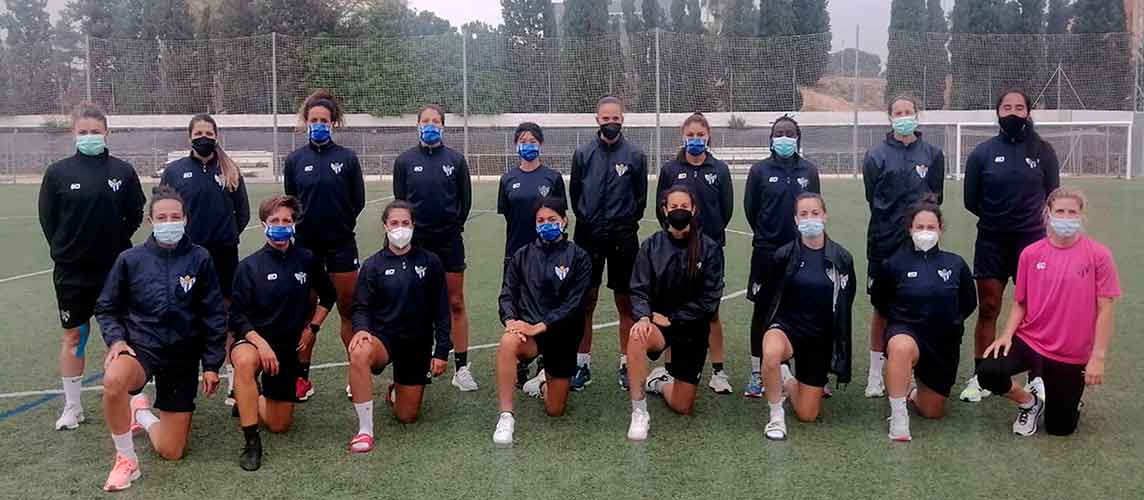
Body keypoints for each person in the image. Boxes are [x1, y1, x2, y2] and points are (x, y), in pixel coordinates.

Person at [94, 186, 227, 491]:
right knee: (114, 380)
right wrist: (116, 340)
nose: (169, 222)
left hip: (183, 356)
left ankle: (141, 412)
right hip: (142, 348)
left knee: (172, 451)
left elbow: (213, 313)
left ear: (185, 219)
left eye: (175, 216)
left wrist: (211, 363)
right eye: (162, 217)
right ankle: (126, 460)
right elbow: (106, 306)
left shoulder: (200, 258)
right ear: (150, 222)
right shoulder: (130, 259)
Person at [976, 188, 1120, 437]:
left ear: (1081, 215)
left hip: (1070, 353)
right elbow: (1021, 302)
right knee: (988, 371)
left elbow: (1105, 308)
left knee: (1060, 429)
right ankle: (1030, 402)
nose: (1065, 217)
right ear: (1048, 214)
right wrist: (1007, 335)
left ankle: (1068, 399)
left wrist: (1098, 356)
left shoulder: (1099, 255)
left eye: (1072, 212)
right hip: (1030, 341)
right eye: (1060, 211)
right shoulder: (1031, 254)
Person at [38, 103, 146, 431]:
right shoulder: (57, 173)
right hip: (72, 272)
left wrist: (113, 243)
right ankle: (73, 407)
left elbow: (136, 213)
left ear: (106, 133)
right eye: (83, 132)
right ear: (74, 134)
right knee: (75, 336)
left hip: (115, 269)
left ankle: (129, 404)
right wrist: (68, 248)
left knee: (123, 337)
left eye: (95, 132)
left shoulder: (123, 171)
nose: (89, 137)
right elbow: (49, 220)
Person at [960, 89, 1061, 402]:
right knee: (989, 308)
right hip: (992, 240)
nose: (1013, 112)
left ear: (1029, 112)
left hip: (1033, 243)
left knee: (1036, 313)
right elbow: (970, 200)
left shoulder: (1043, 151)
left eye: (1019, 107)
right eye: (1007, 107)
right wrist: (1000, 220)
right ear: (997, 112)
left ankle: (1038, 378)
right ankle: (981, 376)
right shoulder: (982, 153)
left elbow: (1052, 195)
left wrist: (1027, 224)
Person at [227, 195, 335, 471]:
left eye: (286, 220)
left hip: (287, 347)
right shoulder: (249, 266)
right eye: (274, 220)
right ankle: (251, 442)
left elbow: (328, 296)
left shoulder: (307, 259)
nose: (280, 225)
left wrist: (312, 328)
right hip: (252, 340)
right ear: (263, 224)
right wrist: (260, 344)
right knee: (245, 362)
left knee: (280, 424)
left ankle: (248, 397)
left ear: (294, 224)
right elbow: (237, 316)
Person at [346, 201, 451, 453]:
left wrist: (441, 351)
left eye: (406, 223)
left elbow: (441, 308)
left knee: (407, 416)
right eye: (394, 223)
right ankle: (365, 430)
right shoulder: (373, 266)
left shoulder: (431, 262)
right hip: (384, 339)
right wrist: (361, 329)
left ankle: (397, 389)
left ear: (413, 226)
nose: (400, 229)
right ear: (385, 226)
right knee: (359, 351)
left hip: (418, 343)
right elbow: (360, 307)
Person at [160, 113, 251, 405]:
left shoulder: (230, 169)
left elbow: (243, 212)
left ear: (216, 136)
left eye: (209, 133)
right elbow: (164, 208)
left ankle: (234, 383)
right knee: (186, 312)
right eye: (199, 132)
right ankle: (183, 382)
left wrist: (226, 235)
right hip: (186, 255)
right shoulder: (175, 171)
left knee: (226, 315)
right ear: (190, 137)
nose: (204, 137)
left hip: (224, 254)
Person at [283, 89, 366, 401]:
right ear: (306, 122)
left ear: (333, 123)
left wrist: (339, 224)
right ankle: (302, 379)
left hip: (341, 245)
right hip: (305, 248)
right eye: (313, 119)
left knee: (348, 311)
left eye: (324, 120)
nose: (318, 124)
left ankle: (354, 374)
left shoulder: (346, 158)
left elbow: (357, 200)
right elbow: (291, 201)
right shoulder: (295, 160)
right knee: (305, 313)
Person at [871, 199, 976, 441]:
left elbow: (968, 303)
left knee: (932, 411)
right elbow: (882, 303)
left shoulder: (955, 264)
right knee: (900, 347)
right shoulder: (894, 264)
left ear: (940, 229)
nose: (925, 232)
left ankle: (914, 391)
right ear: (910, 229)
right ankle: (899, 418)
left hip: (942, 344)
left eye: (931, 227)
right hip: (907, 332)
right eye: (920, 227)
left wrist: (949, 323)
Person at [624, 186, 724, 441]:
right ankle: (639, 411)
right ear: (664, 210)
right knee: (637, 336)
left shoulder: (709, 249)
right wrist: (645, 317)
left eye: (684, 207)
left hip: (692, 328)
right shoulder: (651, 246)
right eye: (673, 207)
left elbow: (710, 298)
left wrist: (675, 317)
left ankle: (658, 382)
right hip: (658, 325)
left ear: (693, 210)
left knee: (683, 406)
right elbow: (639, 288)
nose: (678, 211)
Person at [862, 95, 945, 398]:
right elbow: (872, 197)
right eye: (898, 112)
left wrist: (920, 230)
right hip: (884, 242)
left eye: (908, 111)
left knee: (917, 304)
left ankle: (910, 373)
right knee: (881, 309)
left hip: (920, 243)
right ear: (890, 117)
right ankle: (874, 374)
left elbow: (936, 198)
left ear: (917, 115)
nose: (904, 116)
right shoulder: (876, 155)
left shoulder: (933, 154)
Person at [492, 197, 592, 446]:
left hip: (563, 335)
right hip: (530, 336)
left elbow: (575, 303)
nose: (546, 224)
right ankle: (506, 416)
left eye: (552, 220)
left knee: (555, 410)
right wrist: (511, 319)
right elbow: (507, 293)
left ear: (564, 221)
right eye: (541, 220)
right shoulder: (522, 256)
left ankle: (543, 381)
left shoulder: (579, 257)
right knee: (508, 342)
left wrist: (543, 324)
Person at [755, 193, 855, 441]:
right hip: (786, 328)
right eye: (804, 214)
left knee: (807, 414)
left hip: (818, 337)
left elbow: (845, 303)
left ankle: (787, 380)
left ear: (825, 216)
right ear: (795, 219)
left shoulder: (842, 258)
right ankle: (776, 417)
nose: (810, 219)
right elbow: (767, 300)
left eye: (815, 213)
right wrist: (766, 330)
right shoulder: (783, 255)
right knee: (771, 354)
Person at [393, 104, 475, 391]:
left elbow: (465, 202)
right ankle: (421, 363)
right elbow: (400, 202)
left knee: (455, 302)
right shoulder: (404, 161)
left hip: (449, 240)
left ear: (443, 126)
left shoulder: (456, 160)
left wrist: (452, 226)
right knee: (419, 303)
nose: (430, 125)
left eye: (435, 121)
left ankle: (461, 368)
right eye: (425, 121)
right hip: (417, 243)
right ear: (417, 125)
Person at [570, 95, 649, 391]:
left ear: (623, 119)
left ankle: (627, 363)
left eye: (616, 118)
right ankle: (582, 364)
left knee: (626, 302)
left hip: (623, 237)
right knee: (584, 302)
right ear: (597, 119)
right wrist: (590, 221)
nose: (611, 123)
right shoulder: (582, 153)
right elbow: (575, 194)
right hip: (588, 236)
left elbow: (640, 199)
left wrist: (623, 222)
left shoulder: (635, 156)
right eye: (606, 118)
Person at [654, 112, 734, 395]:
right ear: (682, 136)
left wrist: (706, 242)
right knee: (673, 307)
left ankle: (718, 371)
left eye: (701, 135)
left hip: (708, 251)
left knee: (710, 312)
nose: (696, 140)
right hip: (676, 249)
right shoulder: (670, 170)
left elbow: (726, 211)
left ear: (708, 135)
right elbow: (659, 209)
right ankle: (668, 369)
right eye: (691, 135)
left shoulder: (720, 170)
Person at [743, 115, 822, 398]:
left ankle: (805, 373)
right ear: (771, 138)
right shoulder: (759, 171)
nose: (784, 137)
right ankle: (756, 372)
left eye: (789, 133)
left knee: (802, 308)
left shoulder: (809, 171)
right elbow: (751, 210)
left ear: (798, 137)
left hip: (801, 250)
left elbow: (813, 207)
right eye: (780, 133)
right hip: (766, 252)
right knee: (762, 311)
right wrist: (769, 236)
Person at [498, 122, 568, 386]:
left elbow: (561, 212)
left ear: (541, 144)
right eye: (523, 140)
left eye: (533, 140)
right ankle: (519, 359)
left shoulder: (552, 177)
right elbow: (507, 214)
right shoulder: (507, 179)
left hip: (549, 253)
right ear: (516, 144)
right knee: (515, 302)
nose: (528, 145)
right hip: (516, 252)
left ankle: (545, 359)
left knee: (547, 301)